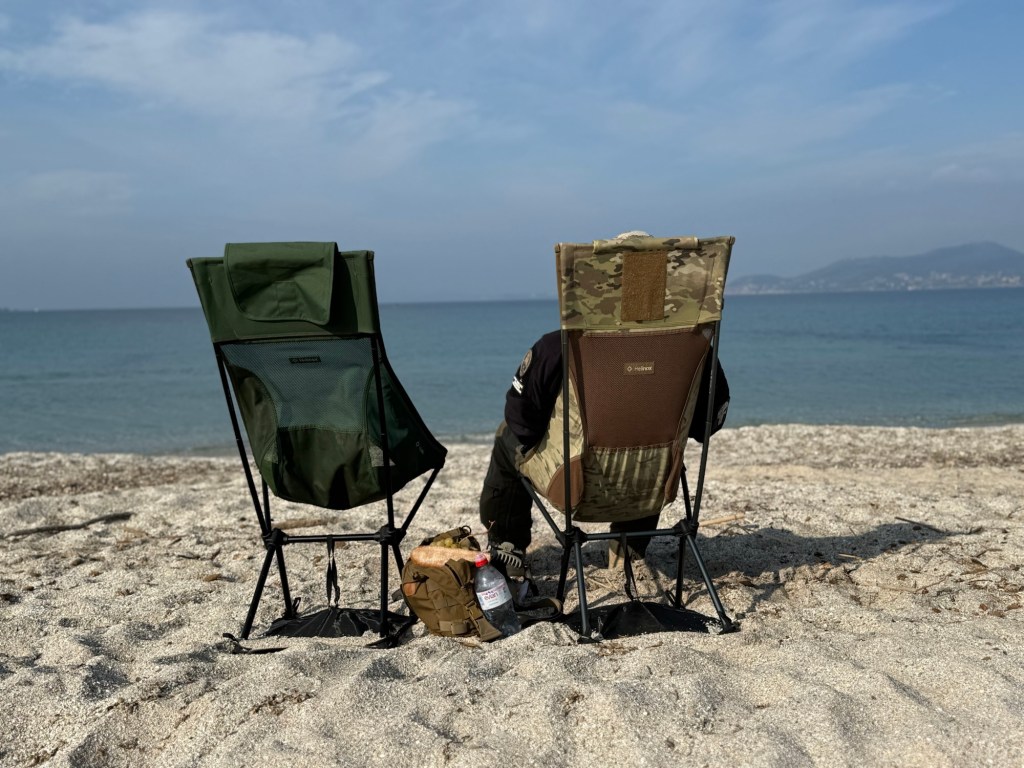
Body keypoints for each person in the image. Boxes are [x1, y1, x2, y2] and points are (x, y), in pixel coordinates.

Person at [479, 236, 730, 596]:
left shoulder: (559, 346)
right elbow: (709, 425)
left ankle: (508, 546)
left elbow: (521, 420)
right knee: (654, 445)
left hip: (574, 487)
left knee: (507, 437)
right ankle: (630, 547)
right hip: (654, 487)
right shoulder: (696, 351)